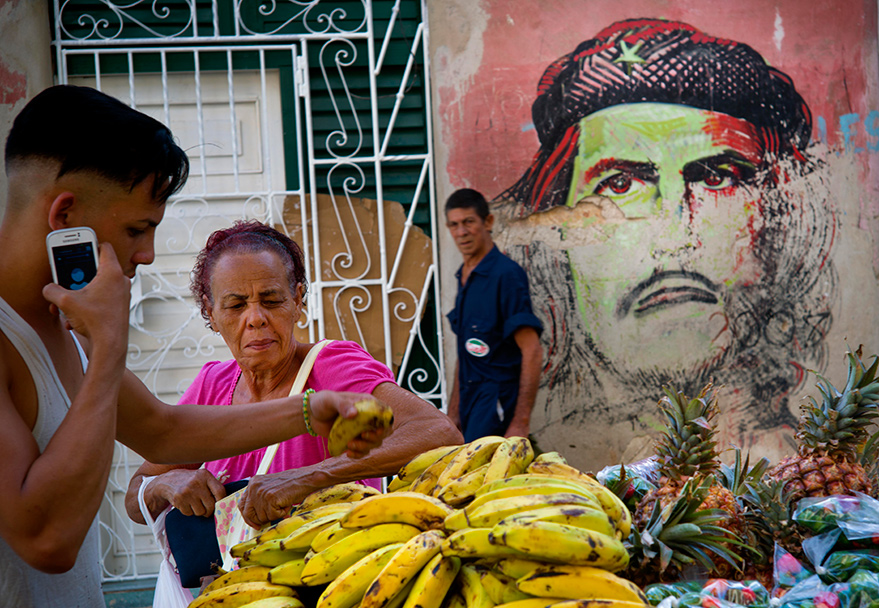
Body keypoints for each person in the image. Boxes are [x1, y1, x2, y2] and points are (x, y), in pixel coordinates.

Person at [0, 85, 390, 608]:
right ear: (65, 217)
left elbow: (162, 430)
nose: (149, 254)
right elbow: (46, 537)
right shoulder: (50, 337)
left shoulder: (65, 326)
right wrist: (108, 348)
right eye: (136, 229)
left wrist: (312, 410)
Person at [492, 18, 837, 456]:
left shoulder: (811, 475)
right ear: (559, 247)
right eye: (619, 185)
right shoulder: (555, 479)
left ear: (778, 223)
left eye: (715, 178)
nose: (674, 239)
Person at [125, 221, 463, 529]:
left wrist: (308, 478)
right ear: (210, 313)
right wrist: (164, 485)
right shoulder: (213, 385)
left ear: (297, 300)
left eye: (271, 300)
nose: (255, 318)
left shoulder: (330, 365)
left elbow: (437, 432)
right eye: (236, 305)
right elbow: (135, 499)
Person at [445, 188, 543, 442]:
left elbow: (532, 350)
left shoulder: (506, 275)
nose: (461, 232)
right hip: (470, 405)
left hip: (496, 408)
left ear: (487, 222)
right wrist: (453, 414)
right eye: (454, 225)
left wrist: (520, 423)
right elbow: (465, 352)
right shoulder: (464, 276)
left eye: (469, 222)